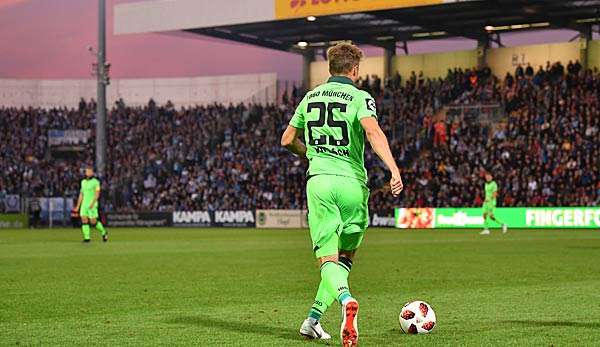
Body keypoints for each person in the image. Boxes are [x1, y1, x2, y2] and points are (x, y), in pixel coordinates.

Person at [281, 42, 403, 346]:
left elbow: (286, 139)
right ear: (355, 69)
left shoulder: (310, 98)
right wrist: (393, 169)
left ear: (330, 68)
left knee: (328, 261)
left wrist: (309, 153)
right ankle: (316, 318)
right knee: (345, 258)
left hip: (320, 182)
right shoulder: (361, 97)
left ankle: (336, 305)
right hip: (352, 186)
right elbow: (373, 132)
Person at [73, 166, 108, 242]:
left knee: (93, 221)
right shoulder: (83, 182)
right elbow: (81, 194)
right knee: (84, 219)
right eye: (87, 171)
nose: (88, 173)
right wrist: (78, 206)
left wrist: (93, 202)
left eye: (89, 171)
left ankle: (104, 232)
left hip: (92, 204)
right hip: (84, 204)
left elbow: (97, 193)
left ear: (92, 172)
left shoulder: (96, 182)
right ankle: (87, 238)